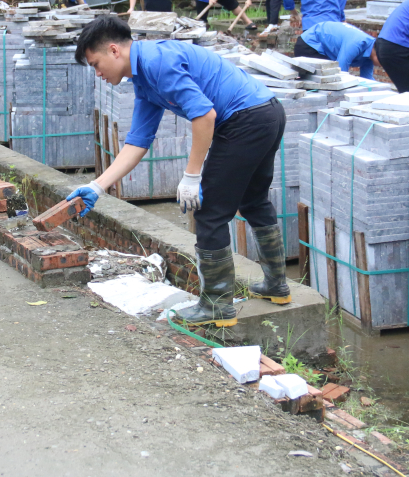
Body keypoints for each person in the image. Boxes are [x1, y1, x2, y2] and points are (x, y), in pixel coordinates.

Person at [66, 17, 288, 327]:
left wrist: (192, 175)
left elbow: (204, 115)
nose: (98, 73)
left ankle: (217, 305)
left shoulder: (158, 63)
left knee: (209, 211)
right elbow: (137, 142)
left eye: (96, 64)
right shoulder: (144, 79)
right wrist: (97, 186)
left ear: (114, 50)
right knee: (253, 201)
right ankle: (276, 285)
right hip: (267, 113)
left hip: (245, 120)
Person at [294, 21, 380, 80]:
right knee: (326, 79)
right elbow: (341, 72)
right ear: (377, 53)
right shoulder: (357, 43)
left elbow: (367, 80)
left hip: (322, 48)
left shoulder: (369, 54)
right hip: (310, 45)